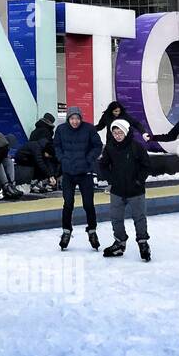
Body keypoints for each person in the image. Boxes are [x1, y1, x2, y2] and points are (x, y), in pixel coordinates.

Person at [98, 119, 152, 261]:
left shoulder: (137, 147)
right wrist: (112, 179)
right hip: (117, 191)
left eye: (120, 132)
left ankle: (143, 243)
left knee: (139, 218)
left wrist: (139, 181)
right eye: (115, 133)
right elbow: (102, 166)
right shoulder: (110, 148)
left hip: (136, 190)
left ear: (126, 132)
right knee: (116, 218)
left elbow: (146, 166)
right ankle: (119, 243)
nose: (117, 135)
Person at [52, 107, 103, 250]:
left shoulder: (89, 129)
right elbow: (56, 146)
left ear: (81, 118)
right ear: (68, 119)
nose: (75, 121)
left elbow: (97, 146)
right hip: (68, 173)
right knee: (68, 203)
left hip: (85, 172)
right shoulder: (61, 130)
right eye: (72, 118)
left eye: (77, 118)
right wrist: (62, 159)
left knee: (88, 204)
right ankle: (66, 231)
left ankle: (92, 231)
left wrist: (89, 159)